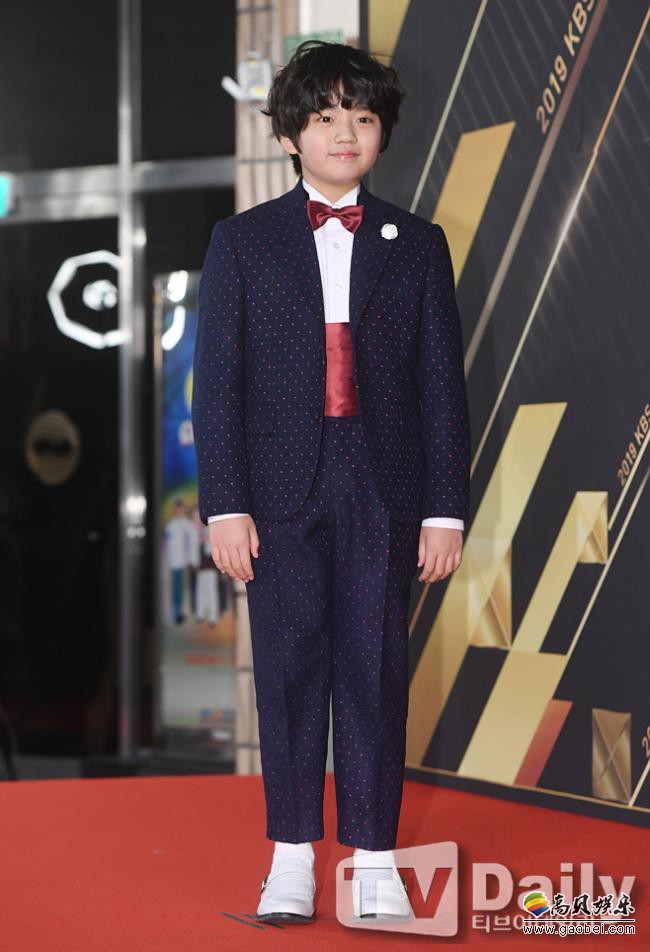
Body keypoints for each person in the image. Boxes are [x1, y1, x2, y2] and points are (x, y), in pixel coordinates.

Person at [191, 40, 470, 923]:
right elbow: (217, 384)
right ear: (289, 136)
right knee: (287, 667)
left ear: (382, 132)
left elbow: (442, 389)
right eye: (324, 117)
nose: (345, 133)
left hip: (383, 484)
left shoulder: (418, 244)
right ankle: (290, 858)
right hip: (277, 489)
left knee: (376, 671)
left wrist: (446, 510)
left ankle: (377, 859)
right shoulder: (241, 242)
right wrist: (225, 504)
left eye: (362, 116)